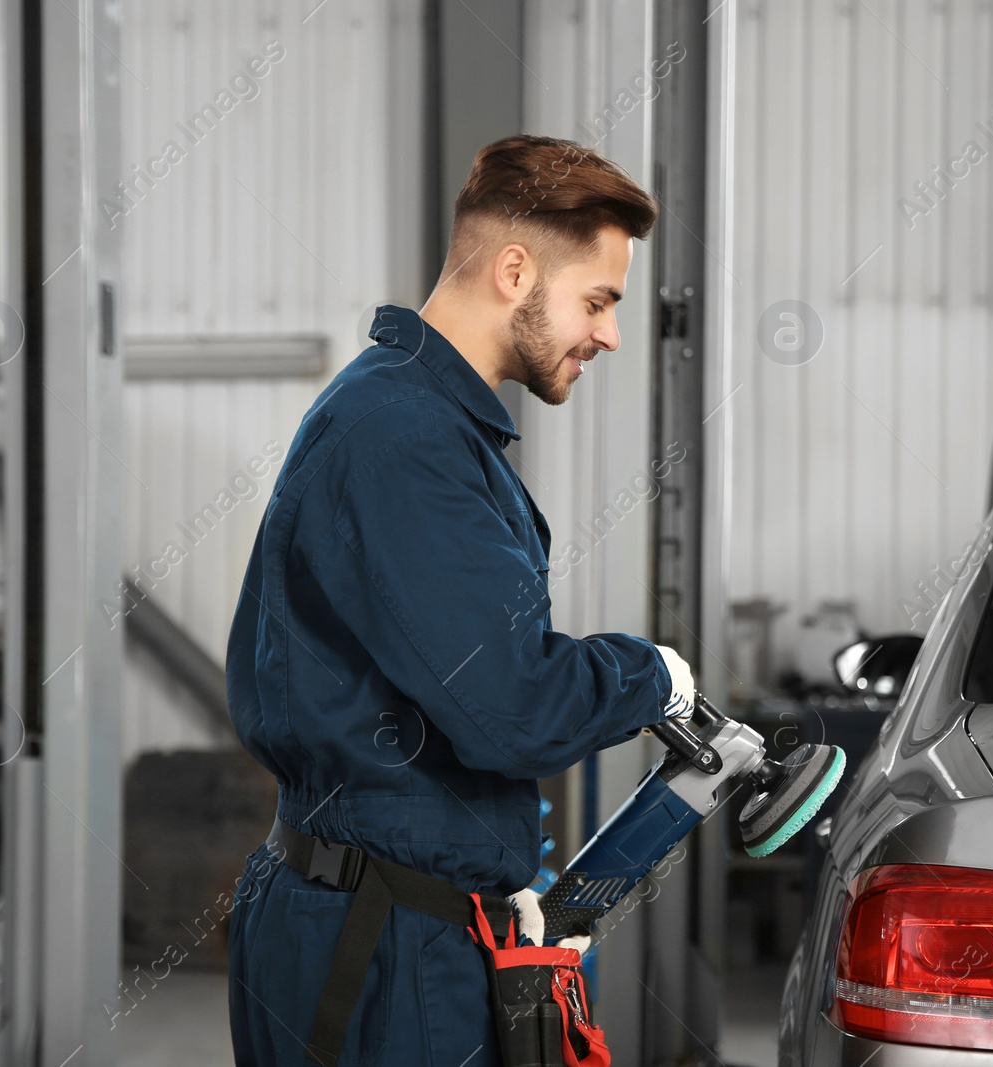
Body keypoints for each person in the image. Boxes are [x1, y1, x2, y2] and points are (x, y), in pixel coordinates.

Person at [225, 134, 697, 1067]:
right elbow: (511, 701)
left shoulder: (420, 419)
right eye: (597, 301)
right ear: (515, 271)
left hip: (402, 907)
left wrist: (488, 872)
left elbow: (437, 694)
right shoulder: (405, 436)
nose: (607, 333)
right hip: (384, 944)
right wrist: (652, 675)